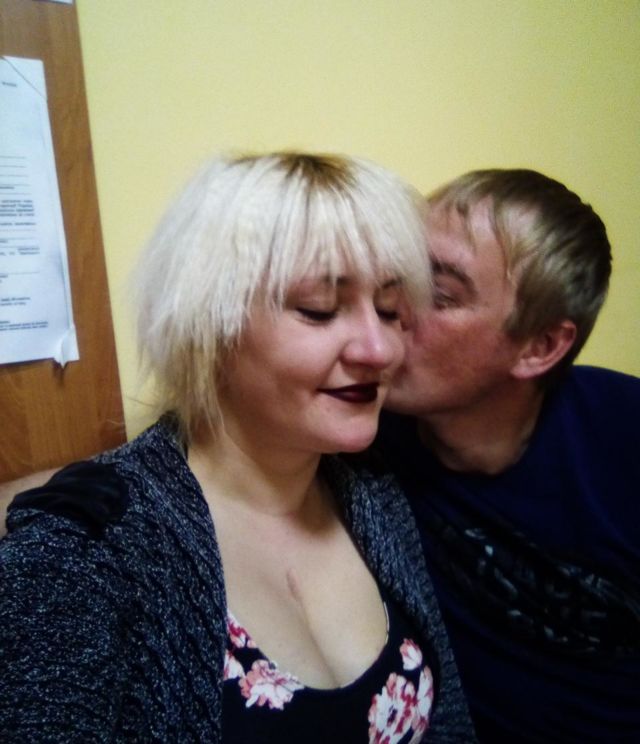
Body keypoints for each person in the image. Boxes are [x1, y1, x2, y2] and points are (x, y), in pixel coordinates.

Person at [0, 152, 475, 743]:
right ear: (210, 327)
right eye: (319, 310)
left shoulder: (374, 493)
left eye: (390, 310)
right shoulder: (83, 557)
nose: (379, 350)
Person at [377, 168, 640, 742]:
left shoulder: (624, 436)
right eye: (398, 275)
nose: (391, 307)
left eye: (440, 295)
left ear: (539, 347)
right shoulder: (359, 435)